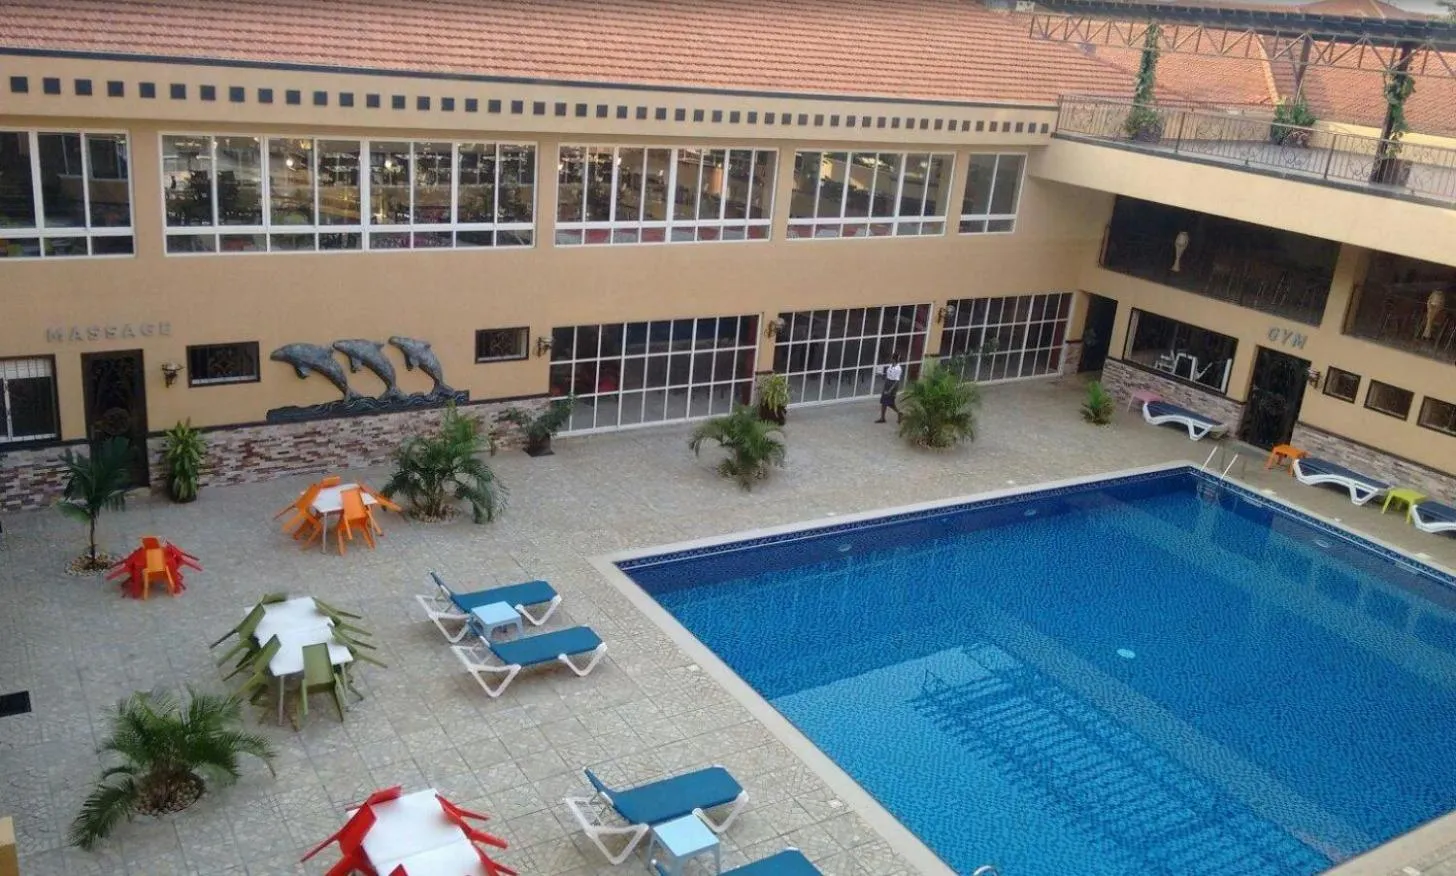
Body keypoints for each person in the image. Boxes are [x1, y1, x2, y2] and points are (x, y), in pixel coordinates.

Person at [875, 352, 903, 423]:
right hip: (887, 383)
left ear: (894, 359)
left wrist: (890, 390)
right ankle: (882, 418)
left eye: (892, 357)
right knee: (884, 402)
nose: (890, 359)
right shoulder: (891, 366)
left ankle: (899, 413)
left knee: (890, 403)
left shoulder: (898, 368)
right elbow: (888, 375)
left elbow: (896, 381)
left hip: (892, 385)